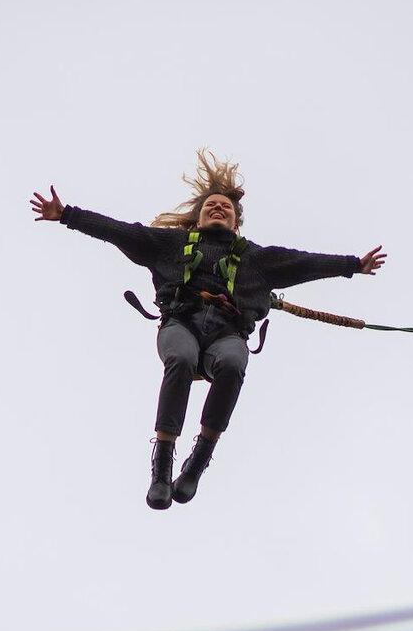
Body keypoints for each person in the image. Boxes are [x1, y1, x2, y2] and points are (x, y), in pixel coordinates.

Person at [30, 151, 386, 510]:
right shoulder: (169, 245)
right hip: (180, 324)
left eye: (225, 208)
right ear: (198, 218)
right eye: (211, 206)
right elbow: (122, 232)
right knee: (182, 358)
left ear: (236, 224)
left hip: (225, 336)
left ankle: (198, 460)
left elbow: (305, 262)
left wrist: (353, 265)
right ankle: (163, 463)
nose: (218, 209)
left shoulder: (258, 259)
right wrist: (67, 216)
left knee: (233, 361)